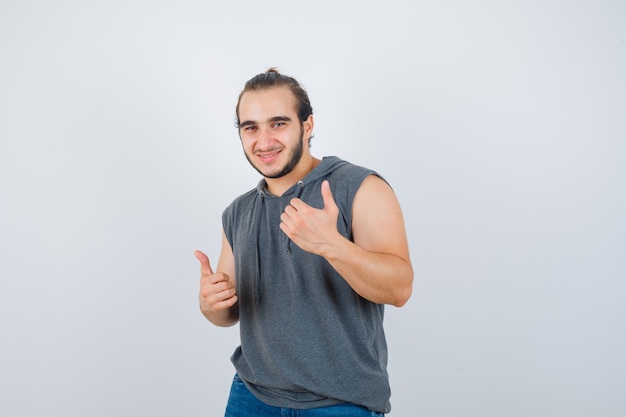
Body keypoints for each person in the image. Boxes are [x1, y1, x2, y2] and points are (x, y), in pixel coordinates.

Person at [194, 68, 413, 416]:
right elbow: (227, 315)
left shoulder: (358, 187)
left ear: (307, 126)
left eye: (278, 123)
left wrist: (333, 245)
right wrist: (211, 303)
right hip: (252, 397)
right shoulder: (237, 212)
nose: (263, 141)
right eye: (250, 127)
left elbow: (400, 288)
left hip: (340, 402)